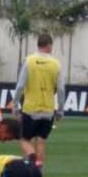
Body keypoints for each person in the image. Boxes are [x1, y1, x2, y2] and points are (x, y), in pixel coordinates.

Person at [13, 34, 65, 167]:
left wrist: (15, 105)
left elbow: (20, 86)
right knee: (41, 141)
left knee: (24, 139)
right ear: (49, 45)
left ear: (38, 45)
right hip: (48, 111)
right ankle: (38, 170)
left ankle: (30, 164)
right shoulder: (56, 64)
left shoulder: (29, 61)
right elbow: (61, 89)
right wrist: (60, 110)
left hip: (30, 109)